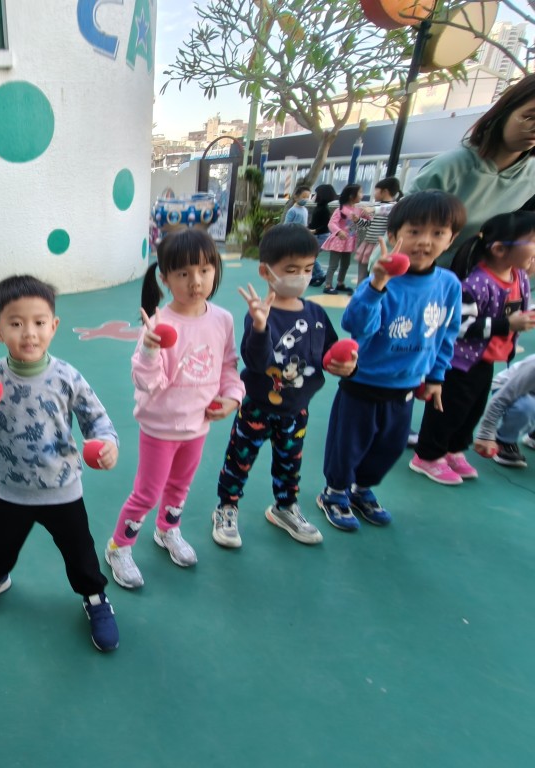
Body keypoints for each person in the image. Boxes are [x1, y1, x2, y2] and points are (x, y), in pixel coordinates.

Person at [0, 275, 121, 652]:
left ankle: (94, 596)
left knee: (80, 553)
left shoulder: (67, 377)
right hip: (7, 489)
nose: (29, 333)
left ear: (54, 326)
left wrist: (108, 444)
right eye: (16, 323)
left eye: (39, 322)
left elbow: (97, 420)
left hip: (62, 489)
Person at [316, 191, 466, 531]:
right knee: (348, 445)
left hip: (407, 387)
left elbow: (446, 333)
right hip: (363, 383)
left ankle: (362, 489)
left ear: (451, 238)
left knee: (390, 446)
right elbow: (356, 325)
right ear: (395, 235)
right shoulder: (380, 280)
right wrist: (378, 284)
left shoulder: (448, 285)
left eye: (437, 233)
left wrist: (436, 377)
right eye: (414, 231)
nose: (424, 241)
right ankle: (335, 491)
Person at [104, 229, 244, 588]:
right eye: (183, 273)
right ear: (165, 279)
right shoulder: (159, 325)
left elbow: (229, 367)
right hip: (160, 428)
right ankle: (119, 545)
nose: (196, 281)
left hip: (197, 426)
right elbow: (145, 382)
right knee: (147, 493)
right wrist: (150, 349)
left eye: (204, 270)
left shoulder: (222, 320)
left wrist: (232, 397)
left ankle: (167, 529)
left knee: (180, 486)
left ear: (215, 270)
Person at [214, 225, 357, 548]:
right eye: (291, 270)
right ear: (266, 272)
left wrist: (347, 365)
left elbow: (329, 354)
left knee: (290, 463)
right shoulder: (260, 314)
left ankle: (285, 507)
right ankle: (226, 507)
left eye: (308, 269)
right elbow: (255, 361)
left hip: (296, 410)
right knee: (239, 460)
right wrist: (260, 326)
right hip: (257, 407)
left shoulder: (316, 313)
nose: (301, 277)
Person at [410, 211, 535, 484]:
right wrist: (506, 324)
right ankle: (428, 455)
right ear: (499, 249)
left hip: (485, 360)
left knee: (471, 411)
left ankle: (453, 450)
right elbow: (459, 325)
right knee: (447, 409)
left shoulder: (519, 277)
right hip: (457, 361)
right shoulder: (477, 284)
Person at [408, 73, 535, 260]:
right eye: (529, 117)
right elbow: (403, 232)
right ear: (505, 112)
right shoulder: (449, 168)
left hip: (479, 275)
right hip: (421, 271)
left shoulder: (531, 178)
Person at [474, 353, 535, 469]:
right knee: (527, 407)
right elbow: (501, 399)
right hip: (506, 387)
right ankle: (504, 441)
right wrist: (486, 434)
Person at [321, 184, 366, 295]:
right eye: (360, 192)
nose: (362, 195)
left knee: (346, 264)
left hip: (349, 242)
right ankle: (328, 285)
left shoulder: (360, 210)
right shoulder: (340, 210)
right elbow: (332, 223)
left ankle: (340, 283)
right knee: (333, 264)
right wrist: (338, 231)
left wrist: (371, 211)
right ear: (351, 196)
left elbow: (368, 220)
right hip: (338, 241)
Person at [358, 177, 402, 282]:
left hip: (380, 246)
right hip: (368, 243)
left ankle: (373, 286)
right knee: (362, 271)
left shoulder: (394, 206)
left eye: (376, 190)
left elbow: (386, 209)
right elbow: (369, 224)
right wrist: (358, 221)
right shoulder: (375, 205)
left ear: (385, 191)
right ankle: (360, 288)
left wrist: (374, 209)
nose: (374, 193)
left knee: (376, 270)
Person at [308, 184, 338, 286]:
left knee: (309, 256)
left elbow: (326, 225)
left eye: (316, 194)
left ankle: (320, 274)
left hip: (321, 236)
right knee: (310, 256)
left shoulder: (324, 209)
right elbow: (315, 222)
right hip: (317, 235)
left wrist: (315, 230)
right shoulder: (319, 207)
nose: (314, 196)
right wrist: (309, 227)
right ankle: (315, 275)